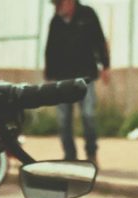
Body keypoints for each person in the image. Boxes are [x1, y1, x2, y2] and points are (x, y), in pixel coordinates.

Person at [44, 0, 110, 165]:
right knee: (64, 119)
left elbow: (100, 41)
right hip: (63, 78)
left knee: (88, 115)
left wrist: (105, 66)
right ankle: (69, 155)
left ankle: (91, 152)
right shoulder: (56, 21)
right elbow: (50, 48)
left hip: (85, 76)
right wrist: (49, 72)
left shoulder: (87, 15)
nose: (58, 8)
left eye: (60, 4)